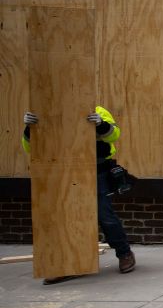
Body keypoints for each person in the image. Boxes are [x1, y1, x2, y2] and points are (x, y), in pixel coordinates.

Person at [23, 106, 137, 283]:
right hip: (62, 172)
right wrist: (29, 129)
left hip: (96, 171)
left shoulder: (96, 110)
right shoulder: (46, 109)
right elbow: (30, 148)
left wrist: (100, 124)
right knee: (65, 217)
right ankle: (67, 264)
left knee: (104, 215)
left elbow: (113, 135)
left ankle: (124, 253)